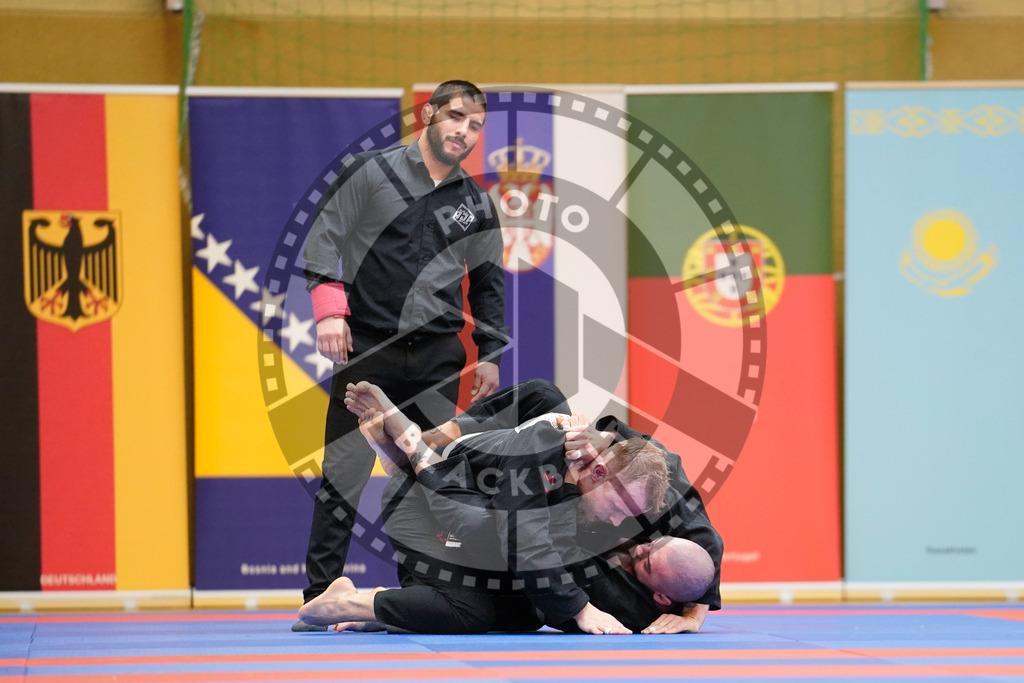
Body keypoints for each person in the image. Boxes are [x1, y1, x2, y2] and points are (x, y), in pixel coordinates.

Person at [296, 80, 509, 628]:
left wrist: (489, 352)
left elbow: (487, 283)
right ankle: (318, 596)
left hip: (439, 356)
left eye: (476, 125)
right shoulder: (370, 172)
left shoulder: (476, 203)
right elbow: (324, 238)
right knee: (343, 473)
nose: (465, 131)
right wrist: (328, 313)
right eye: (456, 117)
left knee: (427, 475)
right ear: (428, 115)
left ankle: (416, 599)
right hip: (367, 347)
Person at [299, 381, 672, 635]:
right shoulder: (542, 451)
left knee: (525, 611)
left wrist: (697, 606)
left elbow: (684, 518)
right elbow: (524, 546)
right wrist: (580, 608)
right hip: (419, 502)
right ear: (602, 471)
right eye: (621, 507)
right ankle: (349, 601)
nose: (620, 521)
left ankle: (400, 609)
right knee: (482, 577)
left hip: (470, 508)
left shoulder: (615, 487)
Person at [399, 378, 724, 632]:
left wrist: (695, 613)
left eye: (649, 562)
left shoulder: (650, 497)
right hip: (509, 481)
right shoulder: (570, 446)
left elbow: (703, 548)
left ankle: (422, 460)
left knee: (495, 556)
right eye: (652, 546)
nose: (640, 549)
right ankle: (433, 441)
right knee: (545, 396)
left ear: (662, 598)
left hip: (557, 549)